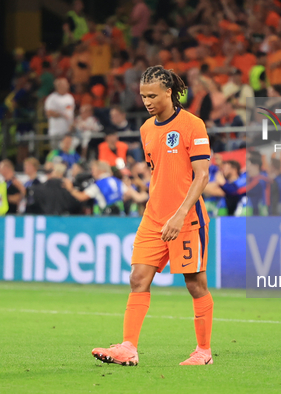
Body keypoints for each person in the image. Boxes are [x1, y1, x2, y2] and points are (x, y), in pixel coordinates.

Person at [92, 65, 213, 366]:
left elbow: (202, 176)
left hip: (187, 218)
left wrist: (180, 213)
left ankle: (204, 352)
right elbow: (158, 173)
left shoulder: (192, 124)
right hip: (154, 216)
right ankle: (129, 347)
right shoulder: (146, 129)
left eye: (153, 95)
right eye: (143, 95)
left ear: (169, 92)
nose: (147, 101)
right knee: (138, 278)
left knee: (195, 283)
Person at [45, 78, 75, 149]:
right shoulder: (52, 98)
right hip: (56, 131)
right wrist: (62, 115)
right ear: (59, 86)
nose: (68, 85)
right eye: (65, 84)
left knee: (68, 152)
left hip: (67, 131)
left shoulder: (70, 97)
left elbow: (71, 113)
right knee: (56, 152)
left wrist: (72, 123)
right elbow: (49, 113)